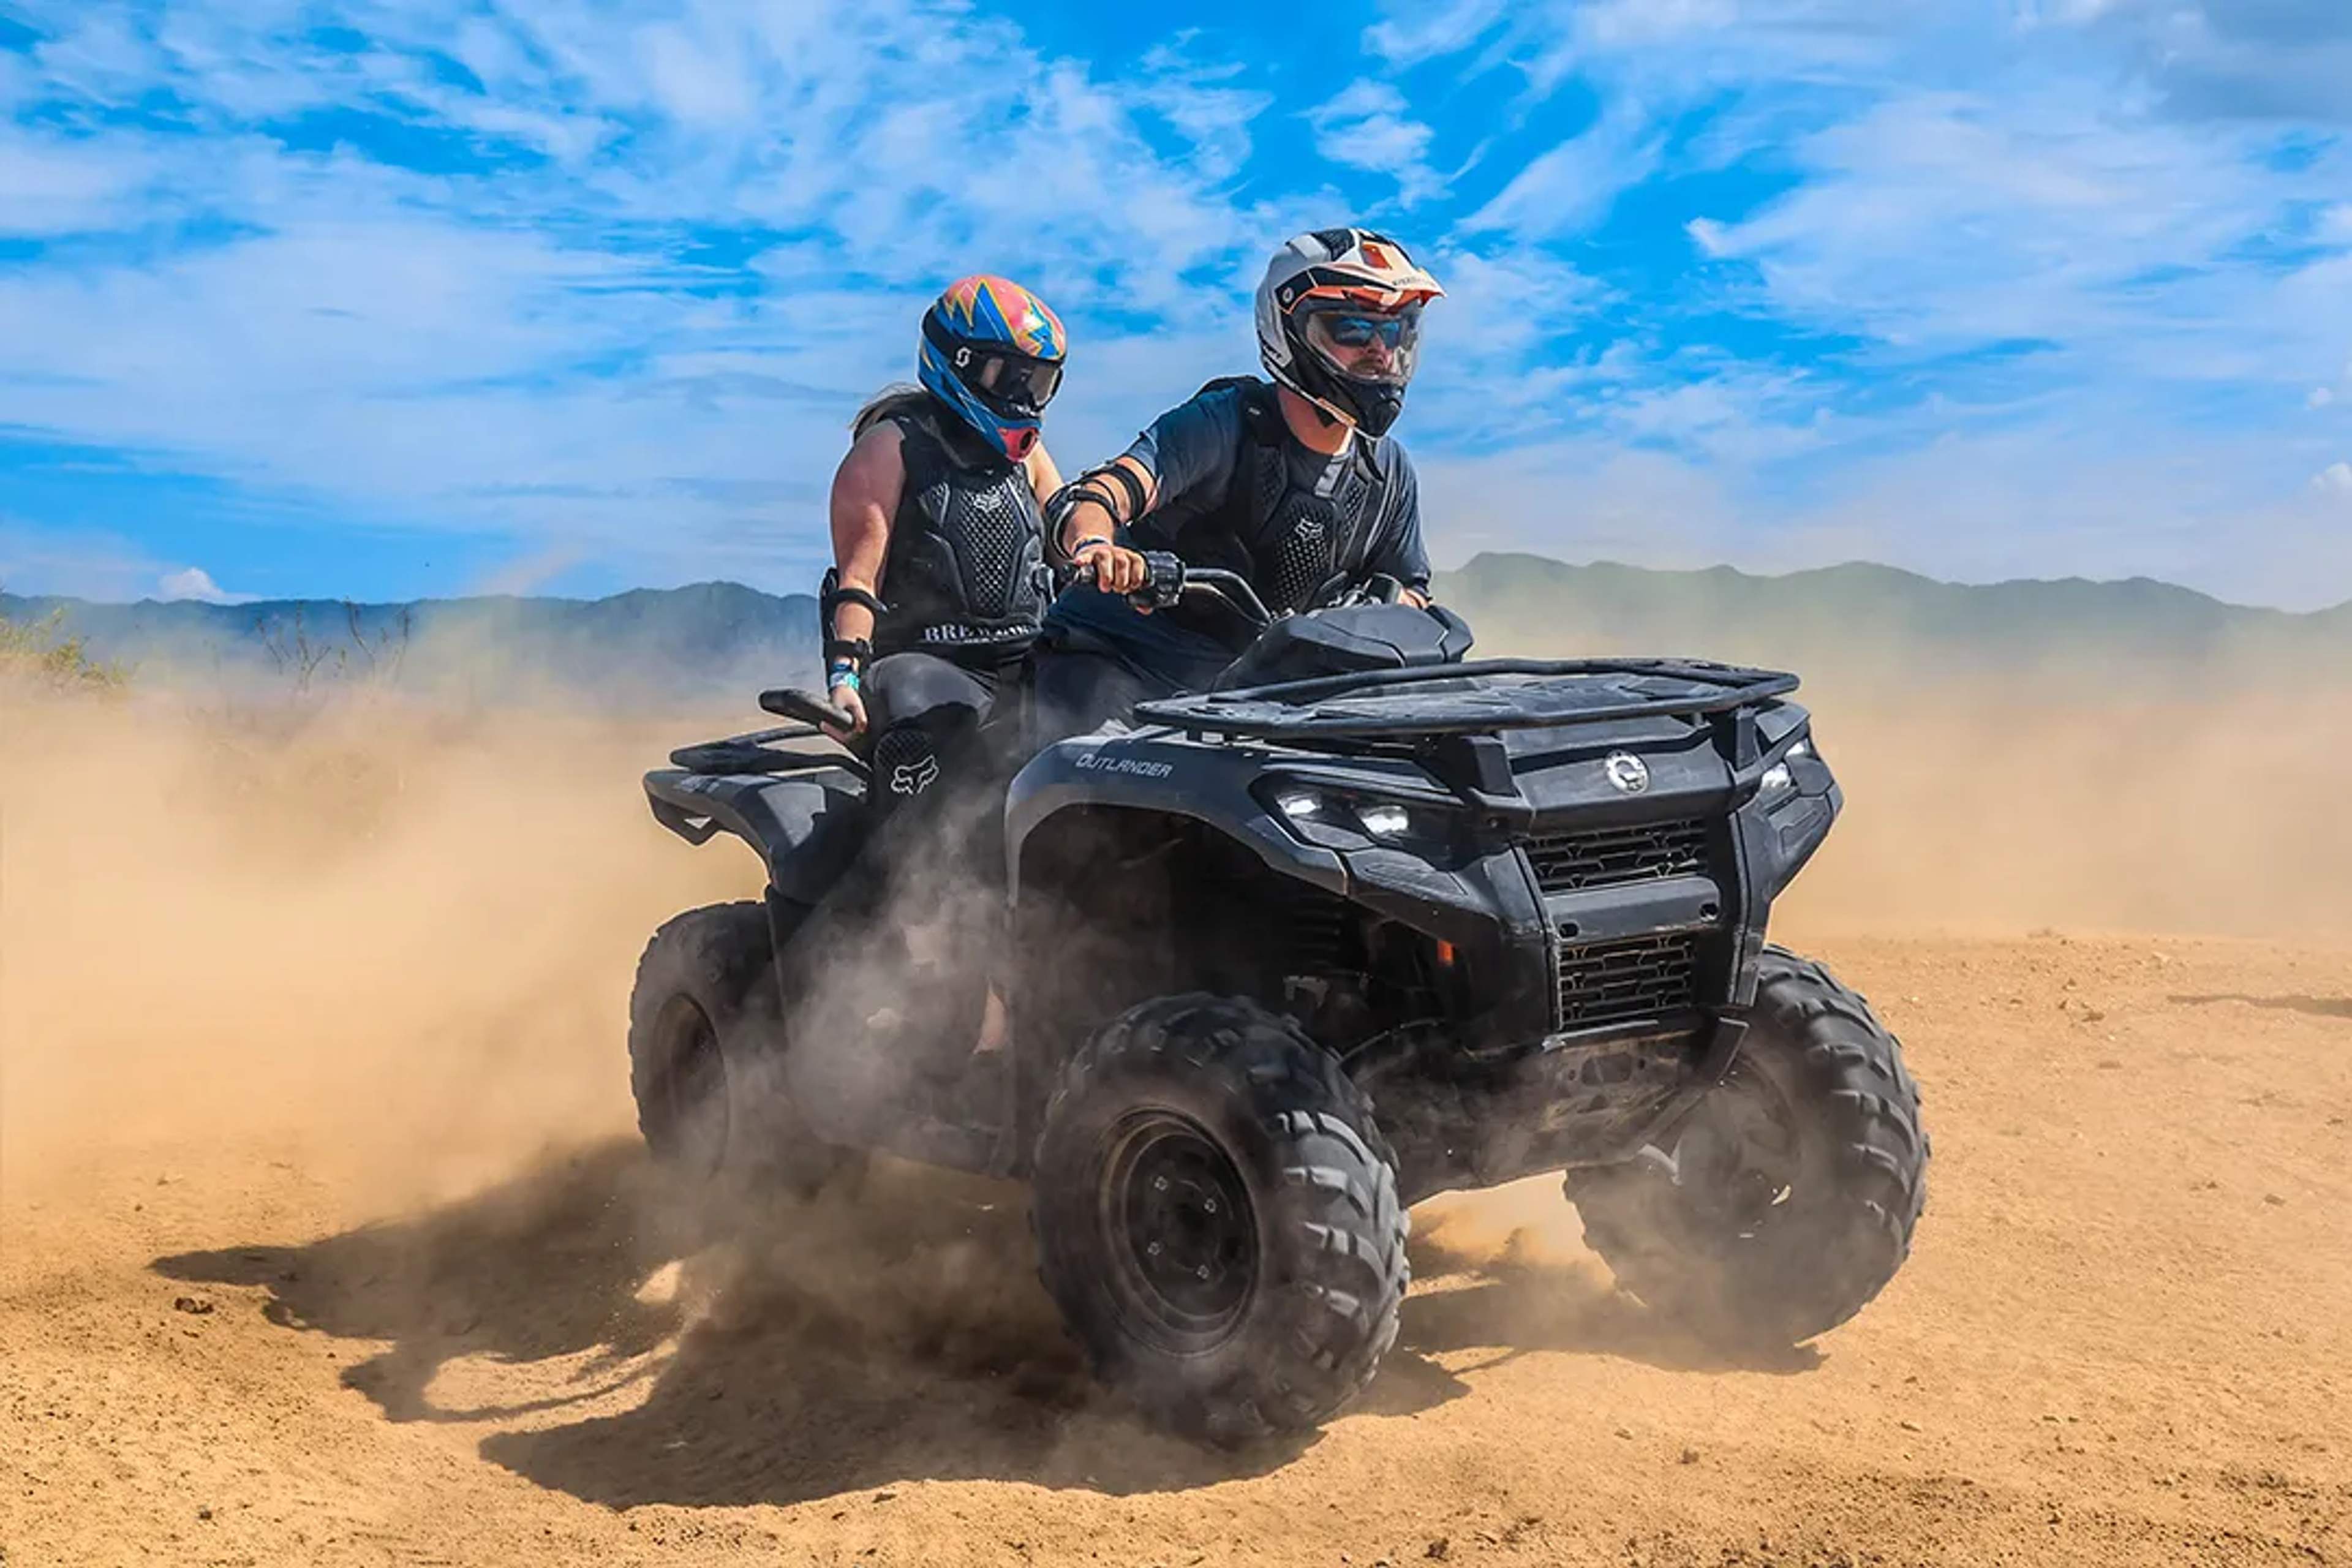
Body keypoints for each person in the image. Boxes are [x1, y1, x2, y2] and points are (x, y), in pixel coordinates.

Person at [1031, 227, 1445, 739]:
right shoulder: (1223, 424)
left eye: (1396, 332)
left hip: (1253, 692)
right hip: (1129, 663)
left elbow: (1412, 592)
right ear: (1289, 331)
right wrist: (1098, 548)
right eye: (1355, 331)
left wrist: (1384, 609)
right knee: (1093, 774)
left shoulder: (1388, 471)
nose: (1381, 353)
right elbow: (1103, 494)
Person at [820, 273, 1068, 808]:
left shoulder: (1027, 458)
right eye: (1011, 377)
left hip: (1026, 659)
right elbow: (858, 580)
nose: (1025, 398)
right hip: (924, 662)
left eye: (1039, 383)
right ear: (960, 362)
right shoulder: (891, 447)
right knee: (933, 731)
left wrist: (1117, 556)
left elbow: (1072, 534)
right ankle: (896, 886)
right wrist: (845, 677)